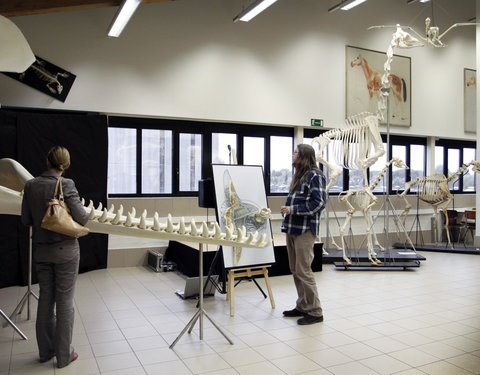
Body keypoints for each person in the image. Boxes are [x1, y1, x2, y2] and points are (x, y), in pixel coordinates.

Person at [21, 146, 89, 368]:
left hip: (41, 251)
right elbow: (82, 218)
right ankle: (63, 356)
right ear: (66, 165)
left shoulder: (31, 185)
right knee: (65, 302)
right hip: (66, 252)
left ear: (47, 161)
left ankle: (45, 352)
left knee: (46, 299)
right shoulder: (66, 184)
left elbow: (26, 220)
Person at [280, 143, 327, 325]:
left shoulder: (315, 175)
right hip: (292, 228)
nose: (293, 155)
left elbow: (319, 203)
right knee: (295, 269)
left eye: (296, 153)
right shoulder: (300, 175)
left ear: (304, 156)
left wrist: (293, 209)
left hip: (305, 230)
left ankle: (315, 311)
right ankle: (302, 306)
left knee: (304, 270)